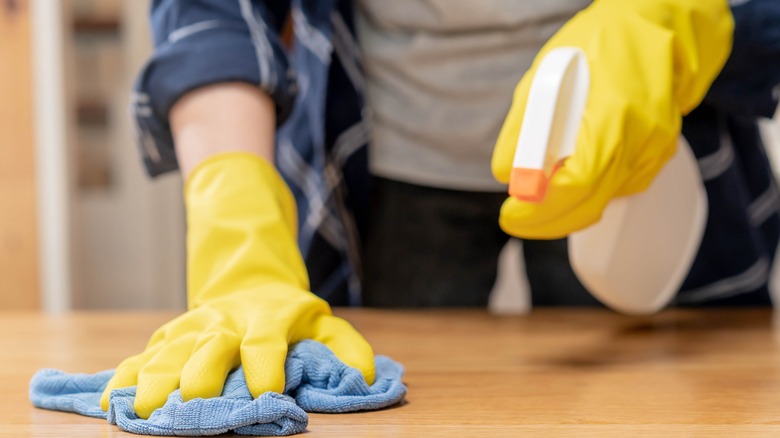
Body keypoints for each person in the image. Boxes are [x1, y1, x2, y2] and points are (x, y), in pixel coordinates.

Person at [103, 0, 780, 419]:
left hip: (634, 149)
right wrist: (234, 210)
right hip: (385, 160)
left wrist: (684, 16)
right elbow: (214, 11)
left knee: (673, 407)